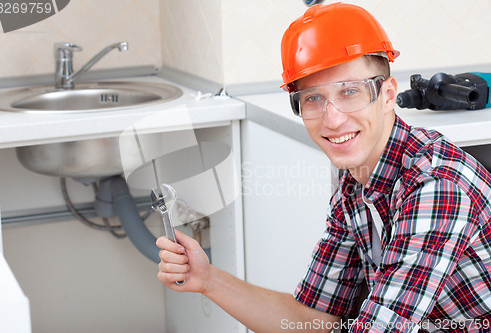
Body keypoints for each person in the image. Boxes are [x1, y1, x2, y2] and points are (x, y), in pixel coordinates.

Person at [157, 3, 491, 332]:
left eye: (350, 91)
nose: (332, 119)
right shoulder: (355, 185)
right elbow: (313, 320)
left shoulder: (436, 186)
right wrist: (209, 280)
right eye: (313, 98)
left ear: (388, 95)